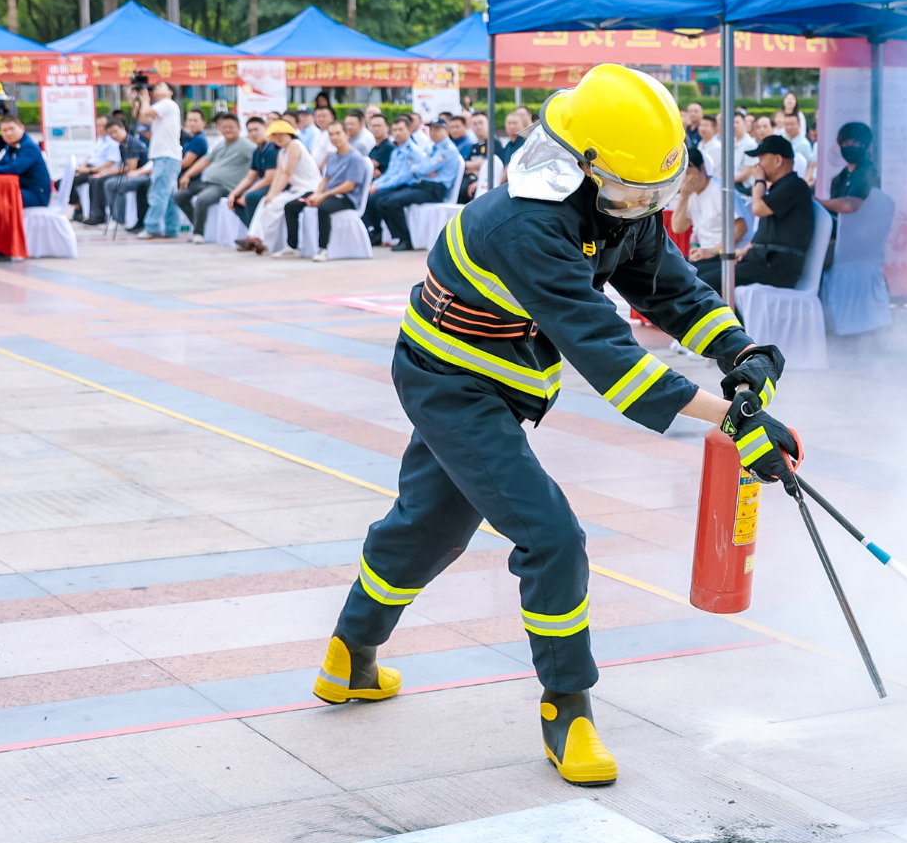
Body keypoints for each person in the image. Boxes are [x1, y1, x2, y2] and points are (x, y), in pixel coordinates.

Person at [308, 63, 799, 789]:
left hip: (502, 379)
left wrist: (744, 355)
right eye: (634, 192)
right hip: (450, 382)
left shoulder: (616, 202)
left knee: (429, 526)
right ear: (580, 166)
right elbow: (616, 366)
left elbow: (673, 290)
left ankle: (348, 657)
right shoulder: (527, 225)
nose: (644, 207)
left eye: (653, 194)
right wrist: (733, 419)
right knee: (552, 535)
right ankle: (567, 709)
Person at [367, 116, 457, 251]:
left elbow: (421, 169)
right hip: (423, 185)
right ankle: (398, 237)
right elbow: (421, 168)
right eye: (431, 129)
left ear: (446, 130)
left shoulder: (446, 149)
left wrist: (422, 169)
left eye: (438, 129)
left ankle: (406, 239)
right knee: (383, 201)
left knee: (393, 202)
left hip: (435, 189)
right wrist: (423, 169)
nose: (433, 132)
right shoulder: (433, 148)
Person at [736, 134, 815, 286]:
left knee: (714, 278)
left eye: (761, 159)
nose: (757, 166)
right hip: (764, 260)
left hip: (777, 267)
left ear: (778, 160)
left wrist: (759, 180)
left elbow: (758, 209)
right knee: (705, 270)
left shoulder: (795, 186)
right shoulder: (781, 187)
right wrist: (751, 246)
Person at [667, 146, 750, 289]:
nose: (686, 179)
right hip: (706, 255)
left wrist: (712, 250)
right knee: (668, 270)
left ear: (702, 167)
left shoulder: (719, 190)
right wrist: (684, 197)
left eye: (689, 172)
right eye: (682, 174)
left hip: (729, 255)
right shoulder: (691, 194)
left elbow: (740, 229)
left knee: (692, 278)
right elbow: (678, 227)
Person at [239, 119, 323, 256]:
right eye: (275, 135)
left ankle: (265, 242)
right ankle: (254, 236)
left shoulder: (295, 145)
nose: (278, 137)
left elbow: (287, 173)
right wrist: (271, 194)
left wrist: (274, 195)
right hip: (296, 190)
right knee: (264, 202)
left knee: (275, 204)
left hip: (310, 188)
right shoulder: (282, 153)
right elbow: (278, 175)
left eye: (282, 134)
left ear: (290, 134)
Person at [179, 112, 254, 240]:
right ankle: (200, 226)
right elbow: (204, 161)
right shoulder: (221, 144)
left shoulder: (245, 145)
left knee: (202, 199)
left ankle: (198, 233)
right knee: (179, 196)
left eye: (231, 127)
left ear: (239, 129)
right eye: (224, 127)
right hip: (208, 183)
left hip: (224, 187)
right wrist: (187, 175)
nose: (227, 130)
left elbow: (257, 157)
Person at [302, 120, 371, 261]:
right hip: (330, 195)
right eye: (331, 134)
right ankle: (293, 246)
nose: (334, 137)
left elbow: (349, 185)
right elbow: (326, 179)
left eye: (338, 133)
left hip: (347, 198)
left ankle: (323, 249)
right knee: (293, 205)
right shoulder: (332, 156)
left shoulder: (356, 158)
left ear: (347, 134)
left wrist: (323, 196)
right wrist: (316, 194)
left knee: (323, 208)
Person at [138, 80, 184, 239]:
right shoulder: (162, 107)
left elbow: (147, 112)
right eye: (156, 86)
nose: (156, 88)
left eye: (161, 86)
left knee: (158, 193)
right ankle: (172, 229)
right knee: (169, 196)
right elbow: (143, 118)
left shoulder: (167, 104)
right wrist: (135, 100)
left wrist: (145, 99)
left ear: (171, 91)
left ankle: (152, 227)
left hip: (166, 157)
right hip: (166, 157)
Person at [229, 116, 280, 227]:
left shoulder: (272, 149)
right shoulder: (257, 151)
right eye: (250, 131)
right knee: (234, 201)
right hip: (265, 185)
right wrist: (234, 193)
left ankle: (256, 235)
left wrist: (248, 192)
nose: (253, 133)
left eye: (256, 129)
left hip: (278, 186)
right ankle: (252, 231)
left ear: (266, 129)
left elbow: (269, 179)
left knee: (250, 197)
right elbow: (250, 177)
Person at [820, 121, 874, 215]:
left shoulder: (868, 172)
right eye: (846, 143)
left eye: (856, 143)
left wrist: (819, 202)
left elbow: (851, 205)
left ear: (866, 145)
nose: (850, 147)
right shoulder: (839, 179)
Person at [781, 109, 817, 182]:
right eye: (787, 124)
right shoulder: (787, 142)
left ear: (799, 125)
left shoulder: (803, 144)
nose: (789, 127)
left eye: (792, 124)